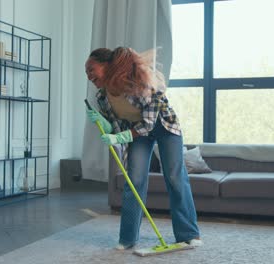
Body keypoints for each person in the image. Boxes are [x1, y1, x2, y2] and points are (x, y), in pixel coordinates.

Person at [85, 47, 202, 250]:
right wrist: (106, 125)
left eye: (91, 69)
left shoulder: (140, 81)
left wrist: (122, 136)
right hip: (136, 133)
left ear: (106, 65)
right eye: (86, 73)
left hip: (164, 126)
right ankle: (128, 238)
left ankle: (188, 234)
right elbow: (117, 126)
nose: (89, 75)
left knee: (175, 177)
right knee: (134, 180)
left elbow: (148, 123)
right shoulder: (102, 97)